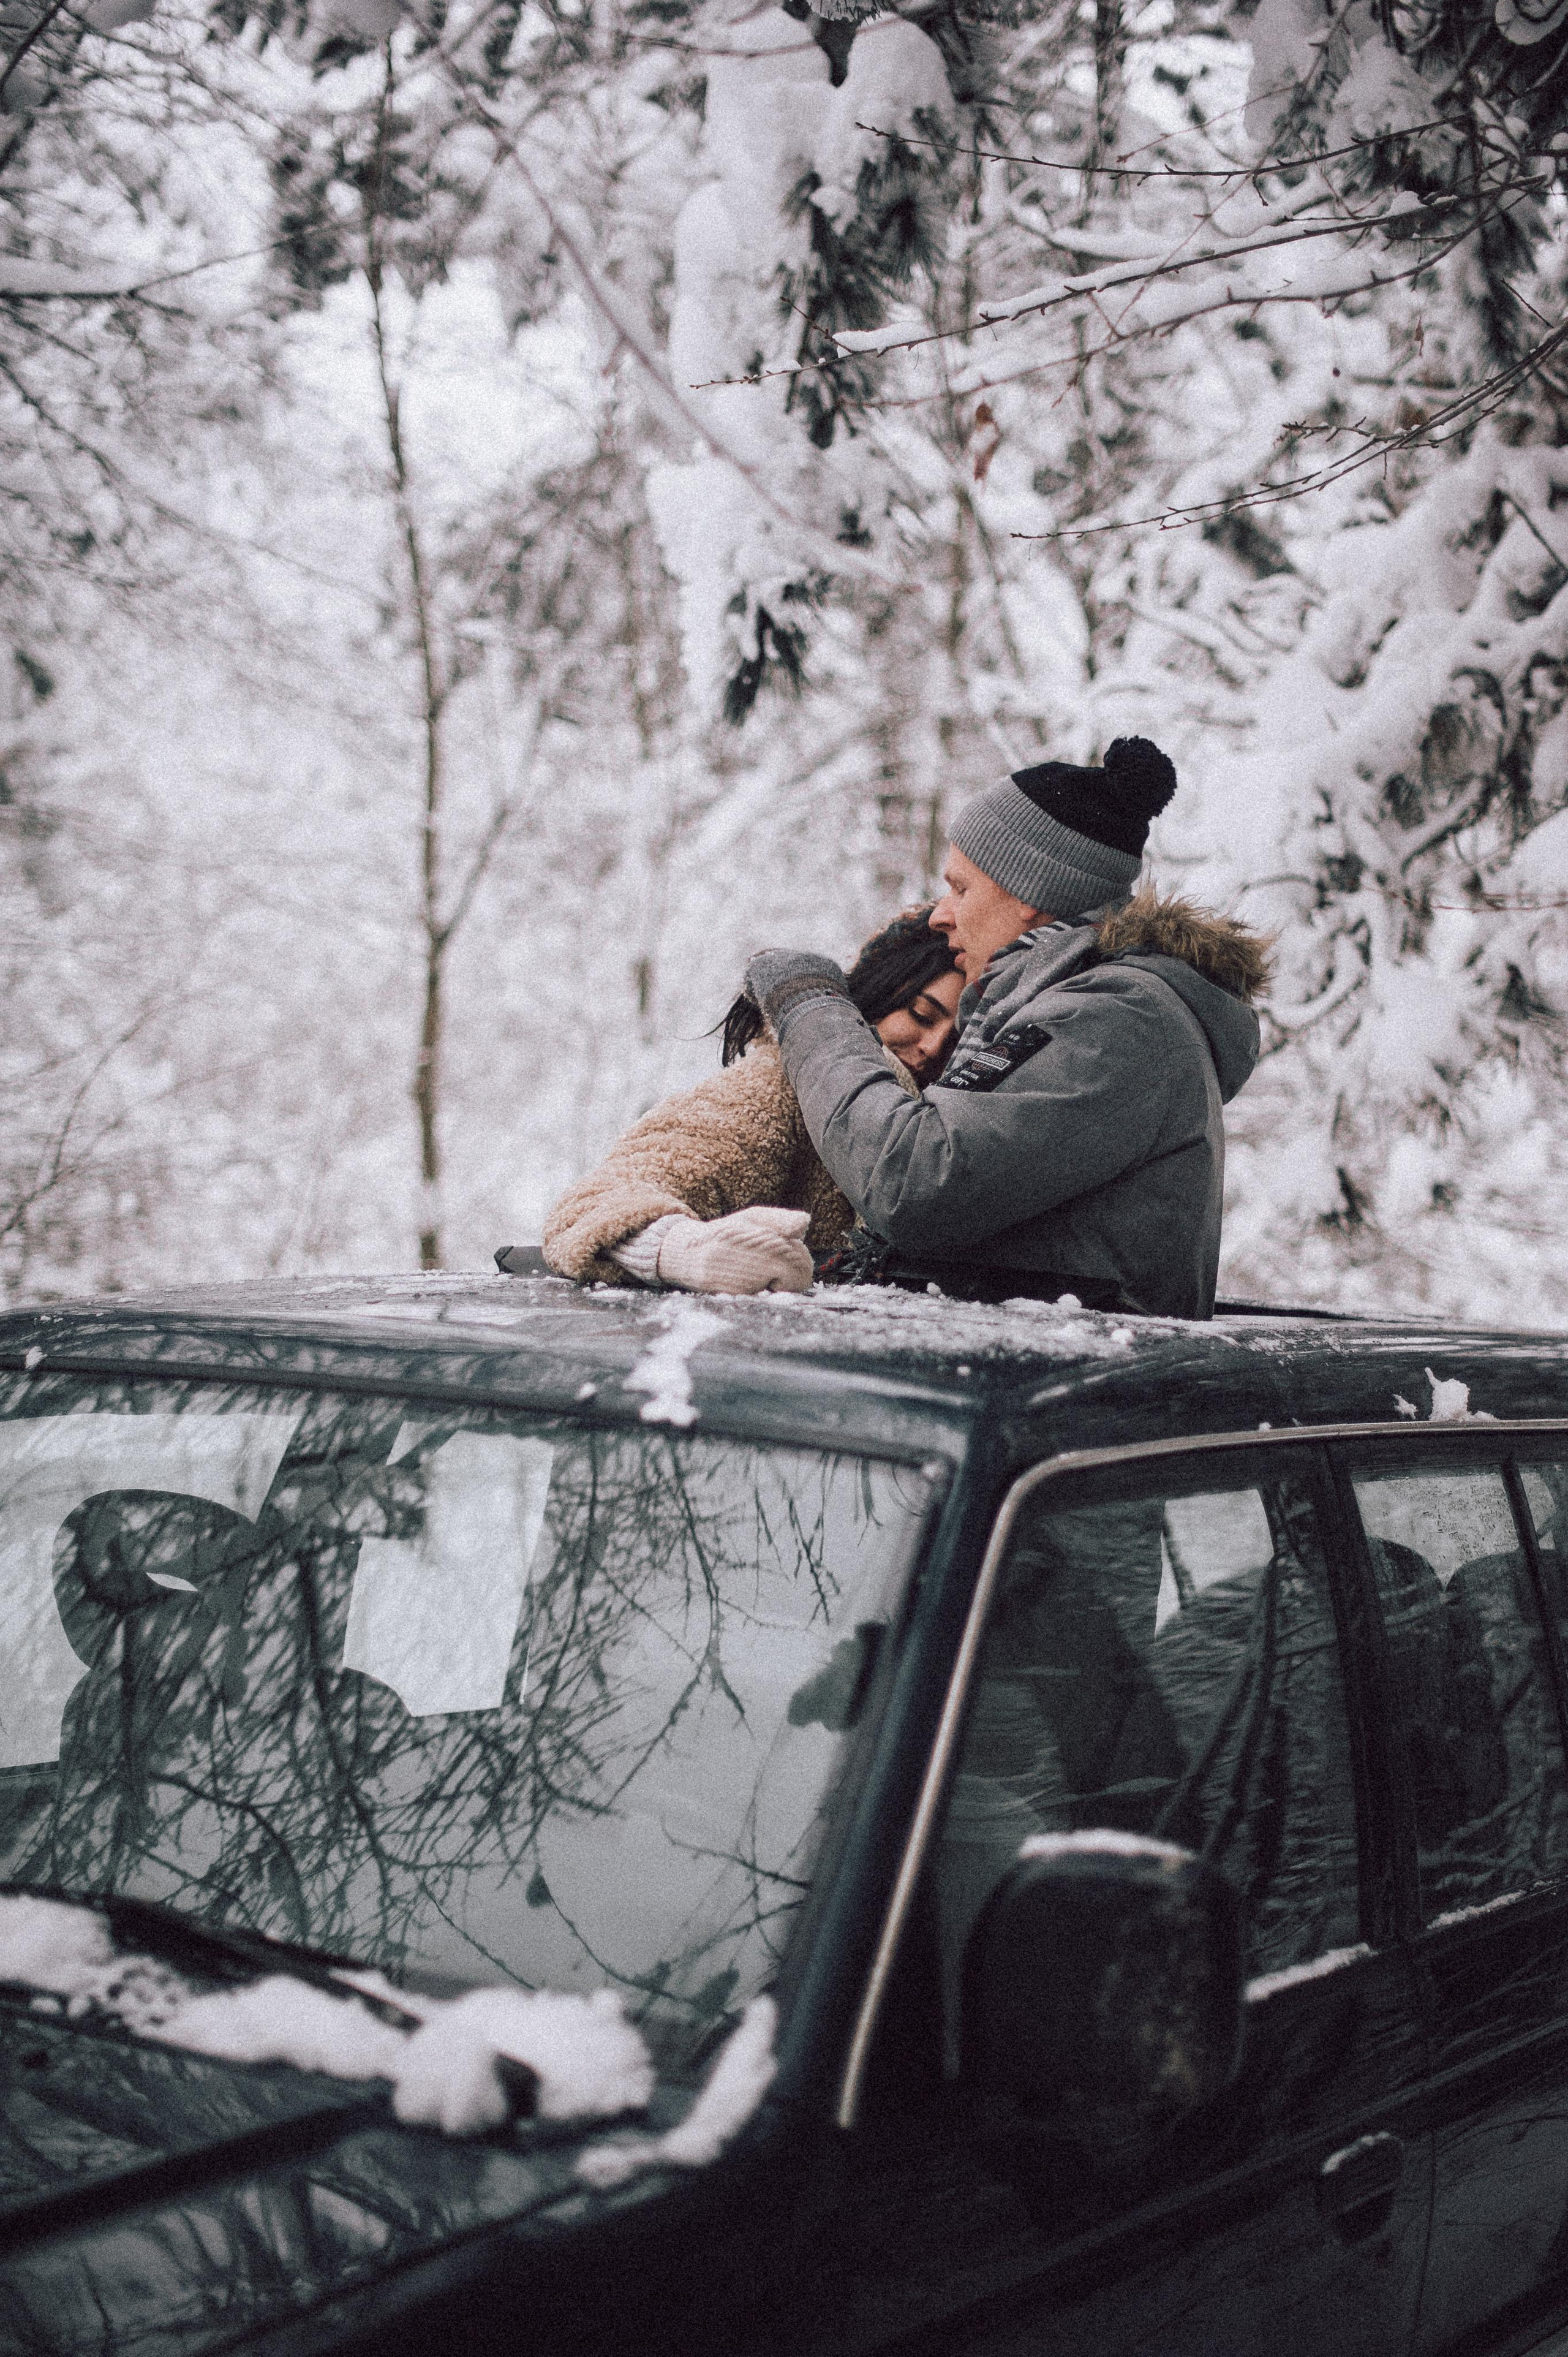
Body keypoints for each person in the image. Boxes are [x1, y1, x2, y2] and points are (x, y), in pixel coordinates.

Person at [743, 736, 1268, 1319]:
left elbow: (914, 1180)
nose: (940, 914)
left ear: (1030, 893)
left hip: (1061, 1372)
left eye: (961, 888)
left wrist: (812, 1005)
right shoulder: (1097, 1007)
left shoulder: (1113, 1020)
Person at [541, 909, 962, 1294]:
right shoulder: (783, 1086)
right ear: (878, 991)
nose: (933, 1047)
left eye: (957, 1039)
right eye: (922, 1015)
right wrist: (687, 1250)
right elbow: (595, 1204)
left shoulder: (956, 1132)